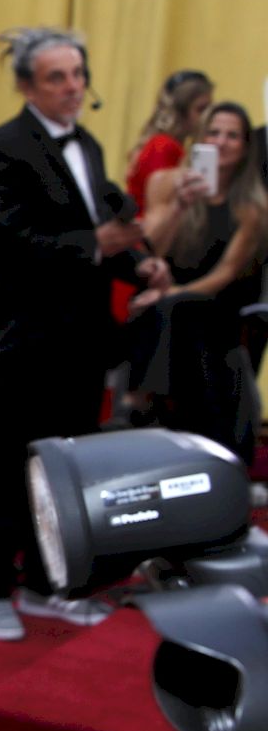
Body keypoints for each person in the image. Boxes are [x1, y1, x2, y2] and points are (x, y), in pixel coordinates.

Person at [0, 27, 171, 640]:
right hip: (28, 337)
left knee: (70, 470)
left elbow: (109, 224)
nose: (73, 87)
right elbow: (11, 243)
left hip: (84, 337)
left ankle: (46, 583)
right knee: (15, 466)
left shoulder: (88, 145)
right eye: (57, 77)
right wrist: (96, 245)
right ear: (27, 84)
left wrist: (141, 266)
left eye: (77, 74)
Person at [128, 102, 266, 461]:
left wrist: (170, 295)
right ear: (199, 139)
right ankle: (154, 410)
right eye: (213, 133)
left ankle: (145, 401)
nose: (221, 142)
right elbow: (151, 247)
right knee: (164, 311)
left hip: (214, 302)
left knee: (175, 310)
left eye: (232, 136)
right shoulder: (167, 183)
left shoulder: (252, 206)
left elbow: (226, 273)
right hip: (164, 295)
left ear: (246, 146)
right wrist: (180, 208)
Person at [125, 69, 213, 212]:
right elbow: (159, 203)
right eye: (201, 109)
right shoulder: (164, 146)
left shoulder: (166, 144)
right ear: (181, 111)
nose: (207, 118)